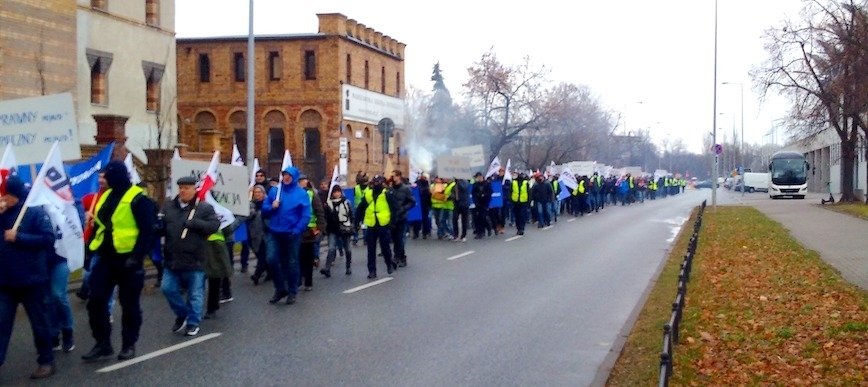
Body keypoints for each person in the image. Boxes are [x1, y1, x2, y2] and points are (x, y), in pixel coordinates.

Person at [82, 160, 155, 363]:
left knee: (129, 305)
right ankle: (103, 344)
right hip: (106, 258)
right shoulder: (105, 196)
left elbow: (147, 232)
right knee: (95, 301)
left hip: (129, 261)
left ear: (117, 176)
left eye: (107, 176)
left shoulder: (138, 199)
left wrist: (137, 258)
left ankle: (128, 344)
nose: (104, 180)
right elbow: (103, 225)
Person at [0, 175, 57, 379]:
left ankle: (46, 360)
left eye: (5, 194)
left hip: (32, 280)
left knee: (39, 323)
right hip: (6, 281)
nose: (2, 198)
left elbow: (48, 239)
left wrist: (19, 237)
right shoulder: (2, 214)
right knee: (1, 324)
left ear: (13, 194)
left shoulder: (34, 213)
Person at [159, 176, 219, 337]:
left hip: (195, 258)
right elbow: (161, 228)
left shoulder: (204, 208)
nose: (183, 191)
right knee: (167, 288)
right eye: (181, 188)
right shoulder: (169, 207)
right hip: (172, 258)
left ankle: (193, 322)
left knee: (195, 293)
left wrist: (196, 224)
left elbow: (214, 226)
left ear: (194, 189)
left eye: (187, 188)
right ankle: (182, 313)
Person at [261, 166, 310, 305]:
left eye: (289, 175)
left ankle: (292, 291)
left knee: (292, 262)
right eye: (284, 175)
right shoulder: (275, 191)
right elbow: (264, 210)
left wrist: (297, 229)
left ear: (294, 177)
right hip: (274, 232)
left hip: (292, 234)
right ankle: (280, 288)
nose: (286, 178)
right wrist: (272, 207)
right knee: (271, 259)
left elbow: (305, 215)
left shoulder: (301, 194)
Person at [355, 175, 397, 279]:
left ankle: (389, 264)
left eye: (378, 182)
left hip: (383, 224)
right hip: (371, 224)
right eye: (375, 182)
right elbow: (360, 208)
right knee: (371, 249)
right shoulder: (368, 194)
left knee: (385, 247)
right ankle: (372, 271)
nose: (376, 184)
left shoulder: (387, 194)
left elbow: (394, 209)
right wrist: (356, 223)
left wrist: (392, 223)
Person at [298, 175, 325, 292]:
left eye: (302, 181)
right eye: (298, 181)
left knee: (307, 257)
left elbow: (319, 210)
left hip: (309, 230)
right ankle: (298, 279)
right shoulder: (291, 194)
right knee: (296, 256)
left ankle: (308, 281)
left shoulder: (311, 194)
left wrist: (320, 227)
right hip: (295, 230)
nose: (300, 183)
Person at [321, 185, 354, 277]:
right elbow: (325, 217)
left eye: (338, 192)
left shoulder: (346, 203)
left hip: (344, 228)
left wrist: (351, 225)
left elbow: (351, 215)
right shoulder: (328, 204)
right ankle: (327, 268)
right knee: (331, 248)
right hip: (333, 229)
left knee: (347, 248)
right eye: (335, 192)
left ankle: (348, 267)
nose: (337, 194)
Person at [389, 171, 415, 267]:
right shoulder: (391, 189)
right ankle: (399, 256)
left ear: (399, 177)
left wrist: (404, 208)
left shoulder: (405, 189)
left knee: (400, 238)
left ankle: (399, 257)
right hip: (392, 217)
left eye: (394, 176)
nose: (393, 177)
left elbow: (412, 201)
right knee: (395, 238)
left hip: (402, 217)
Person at [248, 184, 270, 285]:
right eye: (255, 192)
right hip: (254, 232)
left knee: (263, 254)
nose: (257, 194)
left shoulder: (267, 203)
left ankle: (257, 274)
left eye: (259, 192)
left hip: (265, 232)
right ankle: (270, 271)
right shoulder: (251, 204)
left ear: (263, 193)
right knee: (258, 252)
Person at [471, 172, 492, 239]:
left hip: (485, 203)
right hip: (478, 203)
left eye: (480, 177)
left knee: (483, 217)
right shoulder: (475, 185)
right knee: (477, 218)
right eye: (477, 177)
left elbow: (490, 192)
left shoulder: (487, 184)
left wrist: (484, 195)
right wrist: (476, 201)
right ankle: (480, 232)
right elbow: (473, 194)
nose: (479, 178)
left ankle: (488, 227)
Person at [410, 173, 431, 239]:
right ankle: (417, 233)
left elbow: (428, 195)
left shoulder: (427, 184)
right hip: (419, 203)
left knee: (424, 219)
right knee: (417, 219)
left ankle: (424, 233)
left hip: (424, 204)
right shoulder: (417, 183)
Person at [451, 176, 470, 242]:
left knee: (464, 220)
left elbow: (464, 188)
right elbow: (452, 192)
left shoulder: (465, 182)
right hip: (456, 204)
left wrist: (458, 181)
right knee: (454, 219)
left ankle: (463, 235)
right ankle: (456, 235)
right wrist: (453, 197)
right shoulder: (455, 184)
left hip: (464, 204)